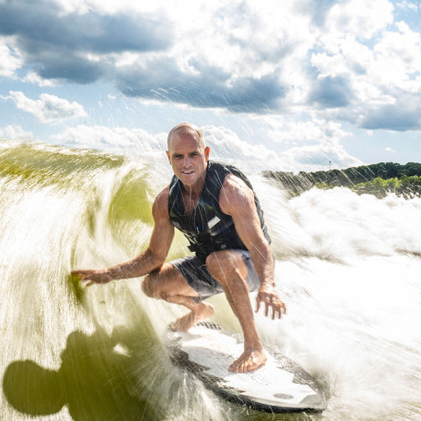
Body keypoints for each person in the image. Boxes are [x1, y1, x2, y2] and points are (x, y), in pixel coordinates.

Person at [71, 123, 286, 372]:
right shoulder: (166, 201)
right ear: (169, 158)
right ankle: (199, 309)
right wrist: (109, 273)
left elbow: (259, 245)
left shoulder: (231, 192)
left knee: (218, 261)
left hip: (252, 265)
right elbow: (154, 256)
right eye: (178, 156)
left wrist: (268, 284)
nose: (186, 163)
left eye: (193, 154)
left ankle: (254, 348)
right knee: (153, 284)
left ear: (206, 154)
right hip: (211, 264)